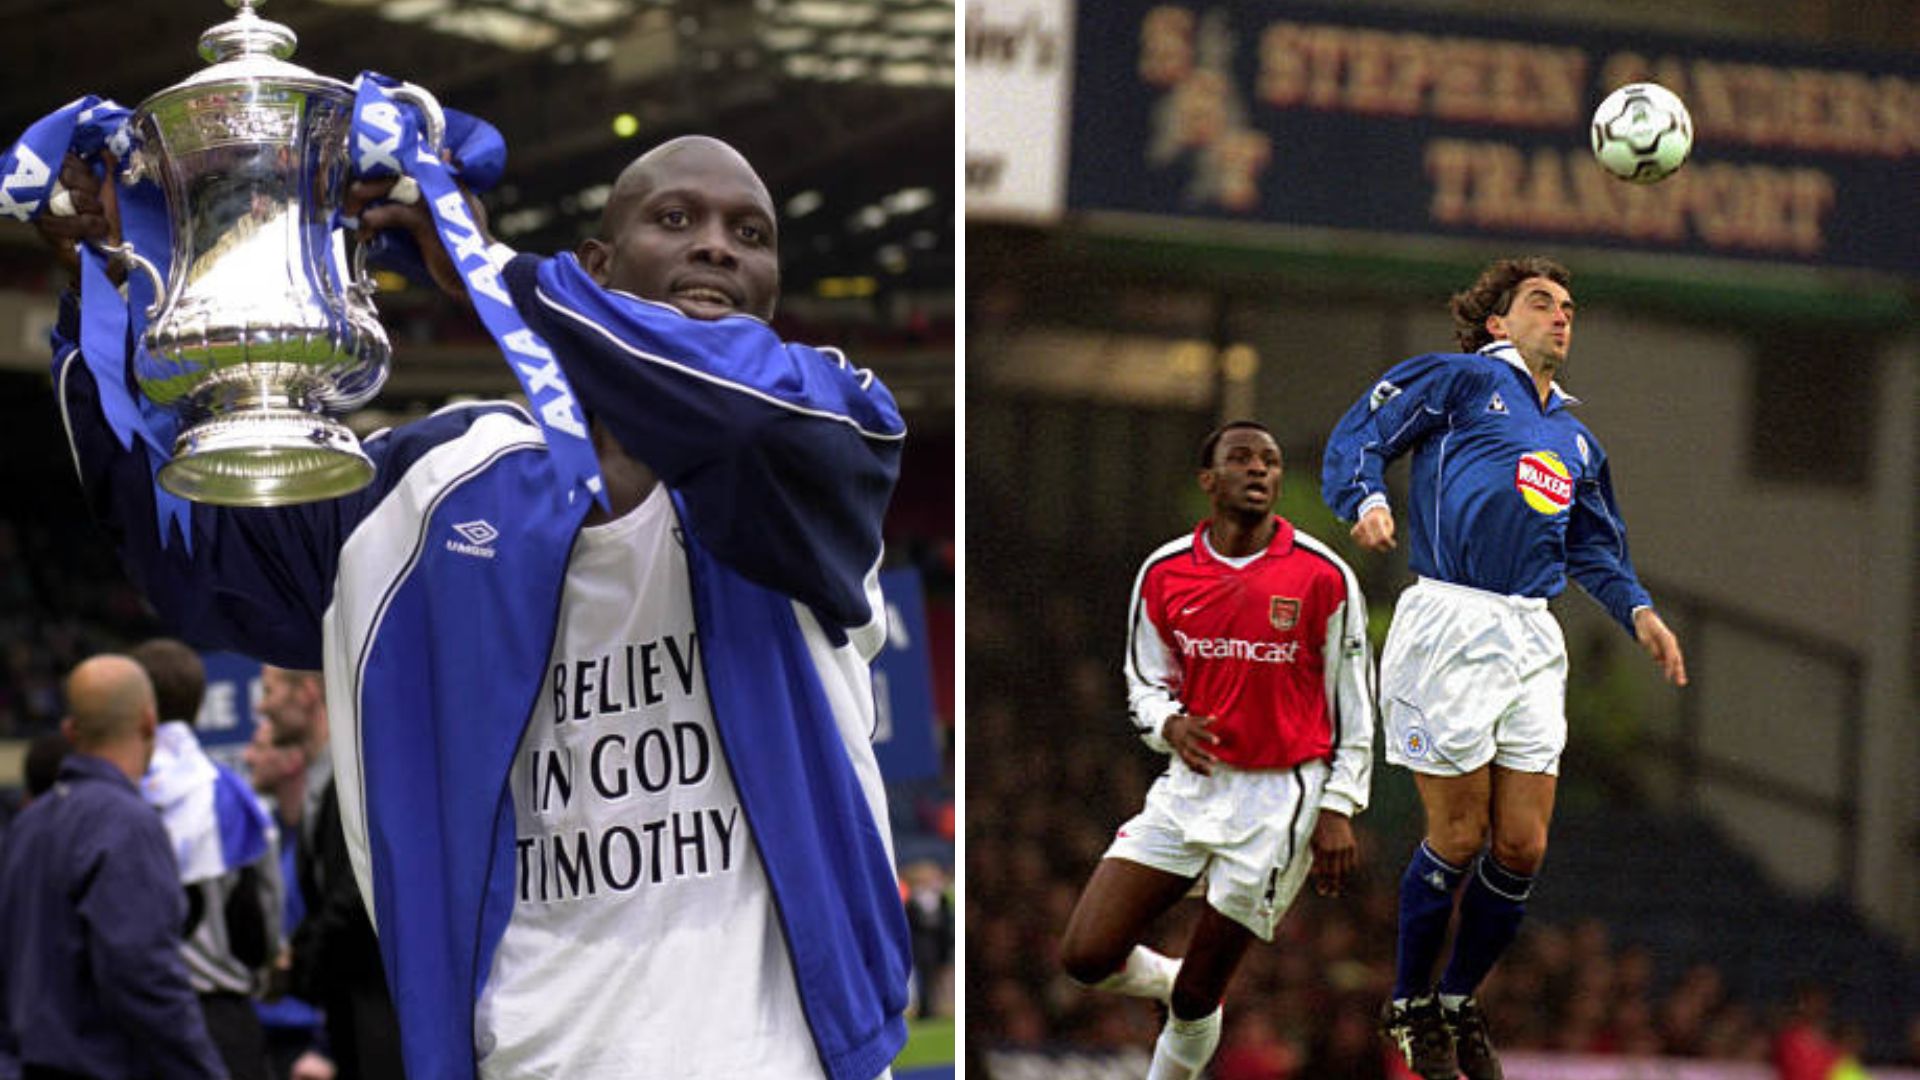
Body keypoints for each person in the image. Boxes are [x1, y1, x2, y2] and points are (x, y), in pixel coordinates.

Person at [40, 133, 911, 1079]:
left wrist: (499, 279)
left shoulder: (825, 437)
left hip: (774, 1057)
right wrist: (127, 281)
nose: (718, 246)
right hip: (530, 1061)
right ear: (597, 267)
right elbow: (194, 553)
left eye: (752, 233)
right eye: (676, 218)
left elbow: (738, 417)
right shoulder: (432, 487)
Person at [1320, 256, 1688, 1080]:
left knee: (1521, 846)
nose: (1563, 316)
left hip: (1530, 634)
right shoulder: (1455, 382)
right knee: (1458, 834)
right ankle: (1408, 1003)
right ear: (1497, 323)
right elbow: (1361, 435)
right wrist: (1367, 499)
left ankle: (1456, 999)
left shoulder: (1576, 437)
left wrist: (1640, 612)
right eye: (1542, 303)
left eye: (1569, 307)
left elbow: (1594, 542)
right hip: (1450, 617)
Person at [1058, 421, 1375, 1080]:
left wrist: (1339, 806)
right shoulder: (1165, 570)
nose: (1259, 469)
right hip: (1188, 789)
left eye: (1271, 460)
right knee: (1085, 957)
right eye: (1242, 458)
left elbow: (1354, 704)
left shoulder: (1323, 576)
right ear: (1210, 480)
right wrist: (1168, 726)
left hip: (1278, 799)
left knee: (1201, 996)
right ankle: (1165, 977)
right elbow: (1146, 681)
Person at [0, 654, 228, 1078]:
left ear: (71, 731)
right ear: (148, 722)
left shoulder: (25, 827)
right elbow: (143, 979)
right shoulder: (128, 825)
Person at [130, 639, 280, 1080]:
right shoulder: (233, 794)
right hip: (223, 1016)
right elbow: (266, 910)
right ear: (198, 705)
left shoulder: (117, 791)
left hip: (140, 1019)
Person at [257, 666, 402, 1080]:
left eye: (269, 691)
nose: (261, 704)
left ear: (305, 693)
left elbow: (356, 891)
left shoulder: (359, 773)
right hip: (348, 1018)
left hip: (383, 1013)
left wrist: (298, 961)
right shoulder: (319, 787)